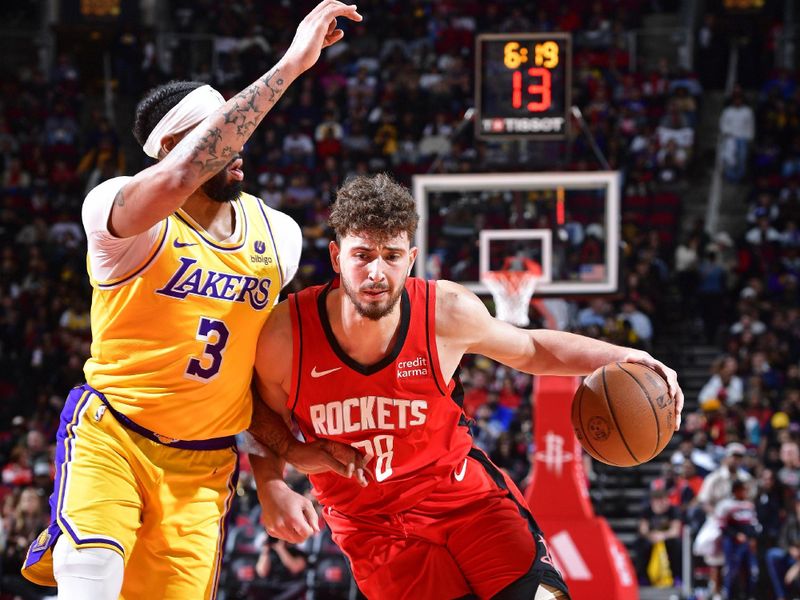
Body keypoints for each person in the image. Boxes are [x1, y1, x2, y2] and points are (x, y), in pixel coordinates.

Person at [20, 2, 364, 597]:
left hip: (205, 465)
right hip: (117, 434)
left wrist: (272, 477)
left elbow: (252, 377)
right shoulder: (117, 212)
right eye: (218, 129)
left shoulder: (275, 236)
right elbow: (181, 177)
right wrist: (291, 64)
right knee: (91, 577)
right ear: (172, 146)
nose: (238, 141)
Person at [249, 173, 684, 599]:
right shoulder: (286, 336)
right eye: (362, 255)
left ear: (411, 258)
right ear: (335, 256)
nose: (377, 272)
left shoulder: (445, 312)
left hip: (465, 500)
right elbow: (260, 410)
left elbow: (530, 348)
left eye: (392, 255)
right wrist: (271, 484)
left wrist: (623, 357)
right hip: (372, 527)